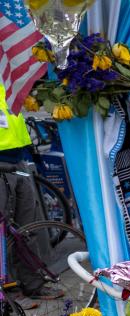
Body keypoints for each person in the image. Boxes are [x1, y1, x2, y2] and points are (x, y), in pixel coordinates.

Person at [0, 83, 61, 301]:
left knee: (28, 227)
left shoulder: (5, 76)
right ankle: (7, 291)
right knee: (2, 232)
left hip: (18, 161)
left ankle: (33, 284)